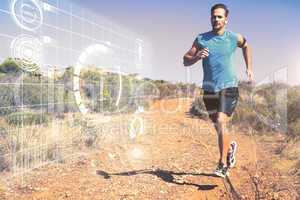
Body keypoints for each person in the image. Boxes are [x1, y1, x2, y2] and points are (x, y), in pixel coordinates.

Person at [183, 3, 254, 177]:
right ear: (210, 18)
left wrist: (249, 67)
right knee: (218, 125)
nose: (216, 19)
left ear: (226, 20)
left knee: (222, 122)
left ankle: (222, 165)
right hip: (209, 89)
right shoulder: (201, 39)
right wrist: (197, 57)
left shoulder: (233, 37)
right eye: (214, 16)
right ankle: (230, 149)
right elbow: (185, 60)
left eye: (220, 16)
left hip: (229, 86)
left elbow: (246, 45)